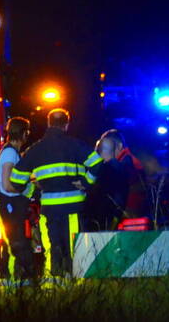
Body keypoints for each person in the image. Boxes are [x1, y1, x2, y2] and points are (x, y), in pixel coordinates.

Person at [9, 108, 101, 283]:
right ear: (66, 125)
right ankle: (77, 286)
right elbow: (97, 162)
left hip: (49, 210)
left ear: (49, 123)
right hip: (73, 208)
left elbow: (15, 180)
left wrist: (34, 192)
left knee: (53, 247)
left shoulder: (36, 150)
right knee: (74, 249)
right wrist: (87, 182)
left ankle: (54, 286)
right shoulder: (76, 145)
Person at [0, 117, 36, 286]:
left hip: (11, 206)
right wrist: (29, 190)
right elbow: (8, 184)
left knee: (13, 244)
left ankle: (10, 282)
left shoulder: (13, 152)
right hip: (8, 205)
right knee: (15, 245)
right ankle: (14, 282)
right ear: (24, 133)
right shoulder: (10, 153)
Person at [89, 129, 149, 230]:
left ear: (119, 146)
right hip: (129, 211)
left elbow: (129, 188)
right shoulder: (126, 160)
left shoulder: (126, 162)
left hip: (129, 212)